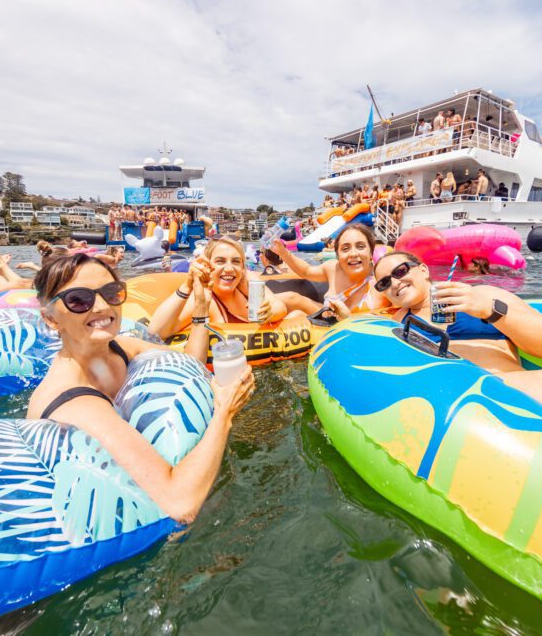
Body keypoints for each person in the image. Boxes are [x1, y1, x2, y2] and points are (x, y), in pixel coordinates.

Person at [26, 253, 254, 523]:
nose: (100, 307)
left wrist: (201, 307)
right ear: (51, 319)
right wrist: (224, 413)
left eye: (111, 293)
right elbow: (179, 505)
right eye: (78, 299)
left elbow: (189, 364)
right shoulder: (74, 403)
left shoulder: (117, 348)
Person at [372, 251, 542, 437]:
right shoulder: (395, 323)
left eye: (400, 271)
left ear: (423, 269)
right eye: (384, 283)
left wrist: (489, 311)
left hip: (513, 386)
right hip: (449, 408)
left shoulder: (484, 295)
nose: (394, 282)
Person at [149, 236, 288, 337]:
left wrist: (271, 313)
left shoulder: (248, 282)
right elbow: (155, 332)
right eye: (220, 261)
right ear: (207, 265)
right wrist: (187, 285)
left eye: (235, 261)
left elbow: (279, 306)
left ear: (242, 267)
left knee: (295, 303)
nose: (229, 268)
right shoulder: (205, 299)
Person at [269, 224, 387, 316]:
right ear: (338, 255)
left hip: (360, 337)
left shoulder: (382, 280)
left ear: (371, 252)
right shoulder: (333, 268)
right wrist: (282, 252)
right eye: (345, 248)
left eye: (360, 247)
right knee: (292, 300)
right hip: (326, 323)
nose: (353, 253)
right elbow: (306, 271)